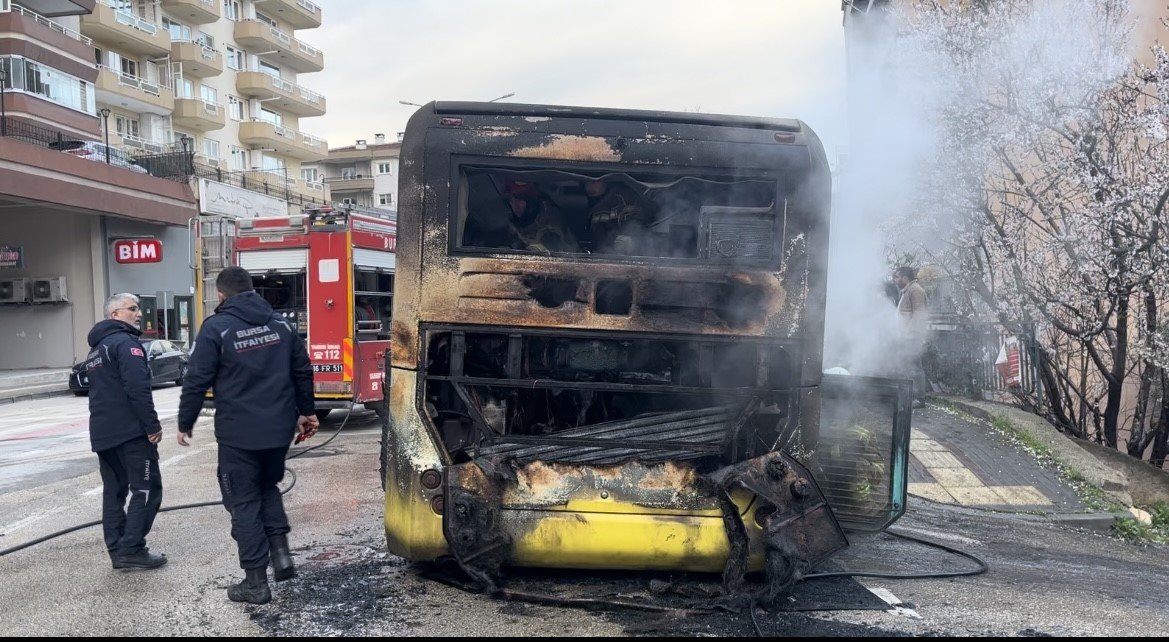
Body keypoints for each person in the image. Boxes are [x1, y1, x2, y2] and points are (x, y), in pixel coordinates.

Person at [177, 266, 317, 605]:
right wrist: (307, 412)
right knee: (266, 487)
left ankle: (255, 583)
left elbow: (197, 379)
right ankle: (281, 557)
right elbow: (302, 369)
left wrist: (185, 422)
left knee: (242, 502)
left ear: (222, 295)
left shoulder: (217, 328)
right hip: (278, 430)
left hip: (239, 434)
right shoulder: (281, 324)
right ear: (252, 290)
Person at [85, 293, 167, 570]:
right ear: (115, 315)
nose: (139, 313)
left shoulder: (96, 350)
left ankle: (118, 550)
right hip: (130, 433)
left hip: (103, 433)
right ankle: (132, 548)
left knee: (114, 491)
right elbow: (137, 387)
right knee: (147, 488)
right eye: (132, 309)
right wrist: (151, 425)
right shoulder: (125, 343)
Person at [583, 179, 658, 254]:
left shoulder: (622, 197)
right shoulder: (593, 206)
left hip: (628, 257)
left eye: (595, 181)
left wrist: (632, 239)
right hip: (602, 256)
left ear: (605, 181)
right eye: (586, 183)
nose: (590, 186)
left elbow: (637, 221)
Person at [503, 180, 578, 252]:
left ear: (530, 201)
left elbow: (567, 253)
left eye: (519, 200)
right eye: (511, 201)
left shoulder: (550, 218)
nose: (515, 205)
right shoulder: (511, 224)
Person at [892, 266, 930, 408]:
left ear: (904, 278)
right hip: (906, 336)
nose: (894, 280)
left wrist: (908, 333)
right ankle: (909, 396)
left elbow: (919, 315)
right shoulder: (907, 291)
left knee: (915, 367)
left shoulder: (915, 290)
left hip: (913, 337)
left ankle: (919, 399)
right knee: (908, 367)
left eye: (897, 277)